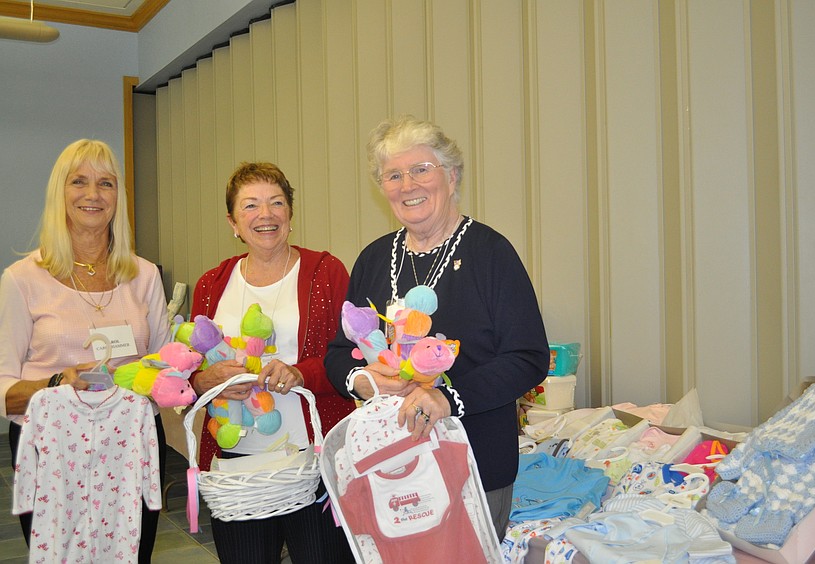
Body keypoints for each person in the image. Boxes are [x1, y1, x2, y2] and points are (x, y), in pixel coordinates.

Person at [324, 115, 550, 539]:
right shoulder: (373, 259)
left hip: (475, 461)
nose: (407, 185)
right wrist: (361, 380)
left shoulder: (490, 252)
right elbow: (339, 352)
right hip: (389, 464)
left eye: (420, 169)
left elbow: (529, 357)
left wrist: (447, 398)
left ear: (452, 176)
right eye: (393, 175)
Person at [0, 139, 170, 562]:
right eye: (79, 182)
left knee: (133, 555)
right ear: (61, 193)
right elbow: (4, 389)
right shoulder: (22, 279)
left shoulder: (145, 275)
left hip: (132, 441)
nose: (93, 194)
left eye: (106, 183)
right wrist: (59, 383)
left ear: (118, 197)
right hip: (50, 444)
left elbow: (167, 368)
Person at [189, 161, 355, 563]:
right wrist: (207, 379)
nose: (265, 215)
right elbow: (189, 370)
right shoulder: (212, 284)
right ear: (232, 221)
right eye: (250, 206)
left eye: (276, 202)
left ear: (290, 214)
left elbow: (350, 357)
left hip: (314, 463)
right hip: (236, 467)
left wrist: (300, 372)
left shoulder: (325, 271)